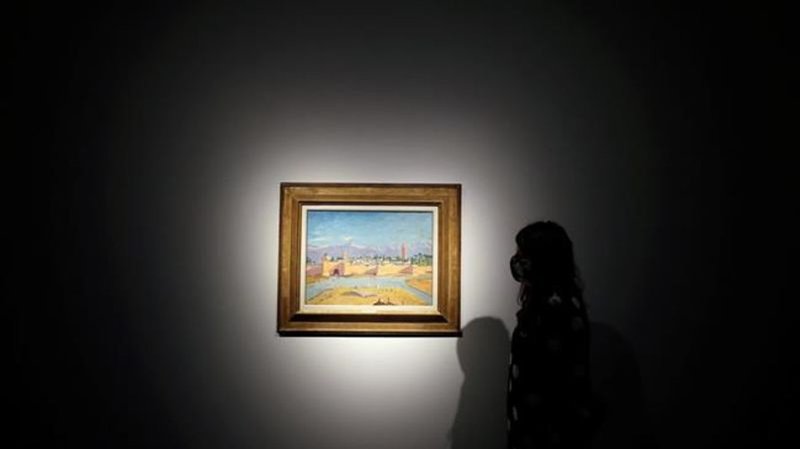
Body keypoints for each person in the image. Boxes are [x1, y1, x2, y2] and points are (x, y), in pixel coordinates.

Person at [507, 221, 601, 449]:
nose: (517, 261)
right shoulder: (548, 301)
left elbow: (558, 381)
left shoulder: (555, 309)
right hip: (538, 425)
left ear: (543, 260)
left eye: (523, 255)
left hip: (548, 430)